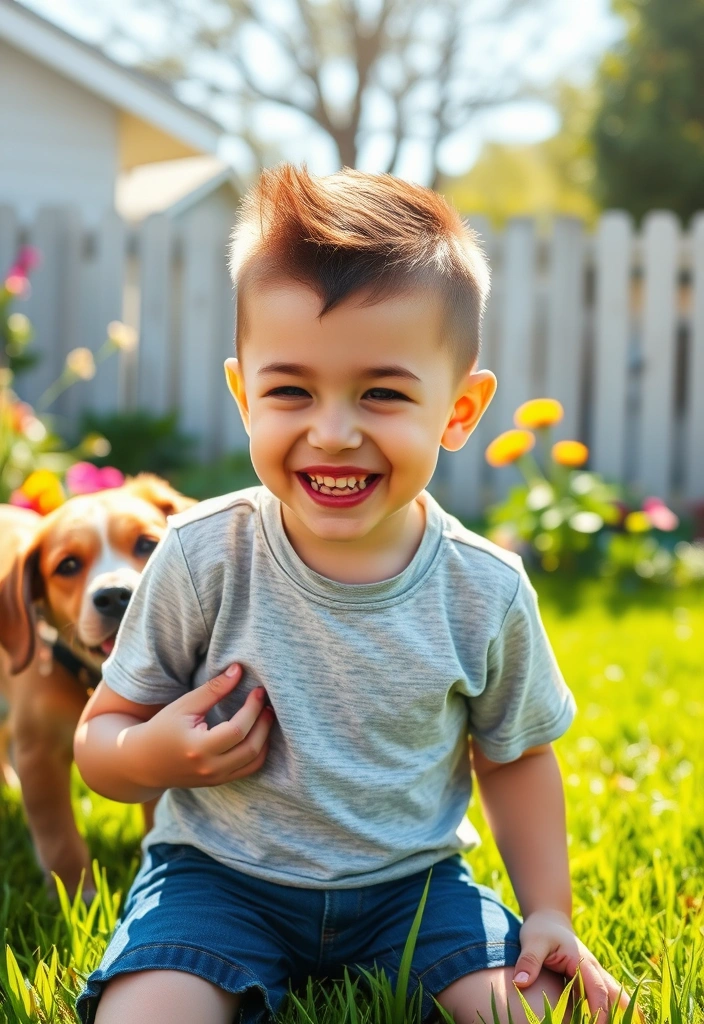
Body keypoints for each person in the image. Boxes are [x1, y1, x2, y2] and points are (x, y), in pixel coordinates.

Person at [73, 165, 634, 1024]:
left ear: (459, 409)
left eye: (382, 392)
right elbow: (101, 733)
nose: (333, 431)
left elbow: (514, 754)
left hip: (413, 886)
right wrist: (152, 757)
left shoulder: (483, 587)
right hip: (216, 878)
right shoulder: (201, 556)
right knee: (147, 1014)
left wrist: (548, 911)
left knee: (537, 1011)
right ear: (243, 394)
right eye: (291, 389)